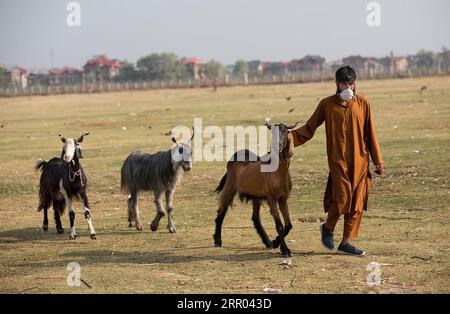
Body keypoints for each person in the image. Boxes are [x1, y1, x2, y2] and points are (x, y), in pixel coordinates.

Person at [290, 65, 384, 256]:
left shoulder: (363, 103)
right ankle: (328, 228)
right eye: (345, 83)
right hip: (338, 162)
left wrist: (378, 161)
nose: (349, 87)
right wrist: (289, 138)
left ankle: (346, 243)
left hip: (360, 162)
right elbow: (309, 128)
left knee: (356, 204)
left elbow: (370, 133)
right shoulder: (327, 104)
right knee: (342, 198)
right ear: (337, 84)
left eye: (351, 83)